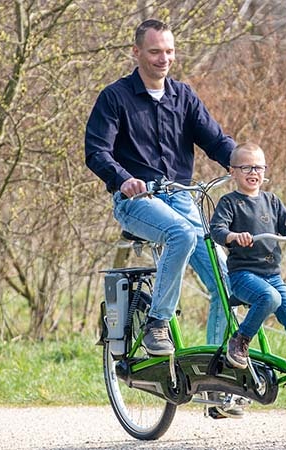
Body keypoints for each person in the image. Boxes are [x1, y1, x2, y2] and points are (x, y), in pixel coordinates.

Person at [84, 19, 235, 356]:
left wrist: (242, 164)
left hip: (182, 197)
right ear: (137, 52)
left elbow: (216, 141)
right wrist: (124, 179)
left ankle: (215, 377)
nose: (163, 58)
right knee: (181, 233)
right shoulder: (115, 98)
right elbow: (96, 152)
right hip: (137, 200)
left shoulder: (184, 96)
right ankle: (157, 323)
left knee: (228, 284)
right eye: (154, 51)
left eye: (168, 51)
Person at [210, 143, 286, 401]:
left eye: (259, 167)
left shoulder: (272, 201)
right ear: (233, 172)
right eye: (246, 167)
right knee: (270, 298)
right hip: (243, 276)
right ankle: (240, 341)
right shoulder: (230, 202)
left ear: (265, 171)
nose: (253, 172)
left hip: (273, 275)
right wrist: (233, 236)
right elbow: (216, 230)